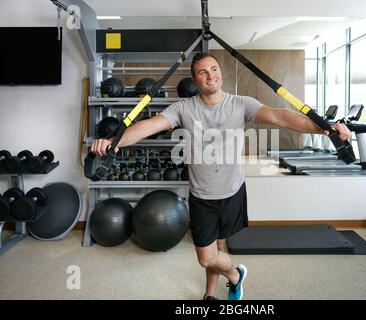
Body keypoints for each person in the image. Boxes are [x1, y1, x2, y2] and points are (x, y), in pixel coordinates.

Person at [91, 52, 351, 300]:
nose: (210, 75)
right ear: (195, 81)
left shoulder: (241, 104)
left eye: (214, 69)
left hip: (232, 191)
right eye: (203, 72)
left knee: (219, 248)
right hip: (202, 196)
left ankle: (209, 294)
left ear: (221, 73)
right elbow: (148, 126)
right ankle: (236, 275)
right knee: (206, 257)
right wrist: (114, 142)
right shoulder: (183, 108)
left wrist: (325, 130)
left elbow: (280, 117)